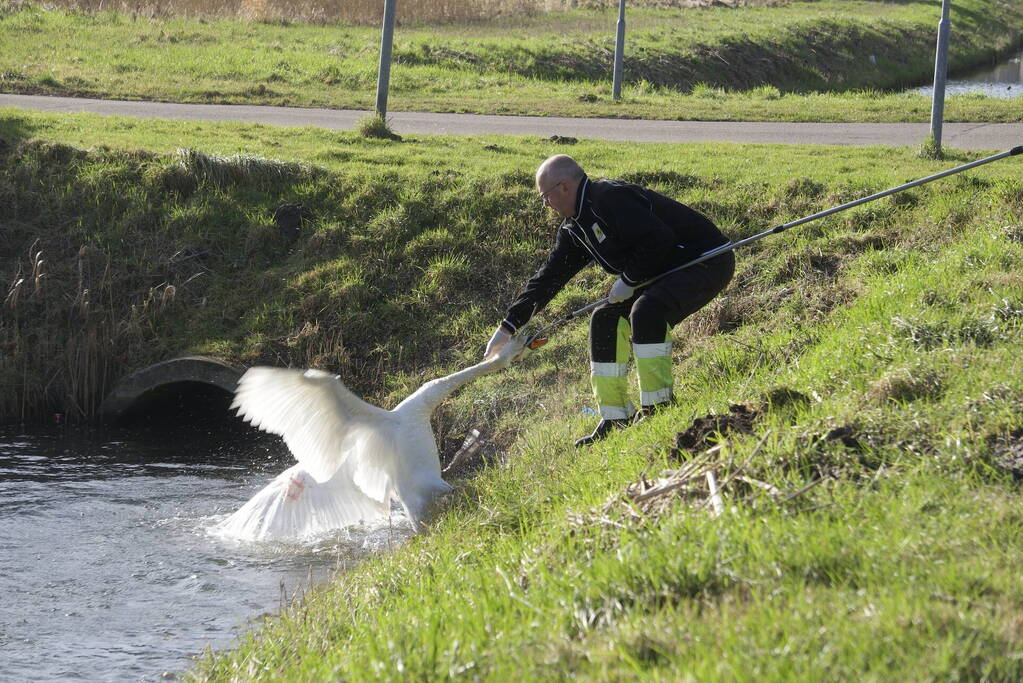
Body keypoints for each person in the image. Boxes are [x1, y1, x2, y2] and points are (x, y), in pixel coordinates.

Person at [484, 154, 735, 447]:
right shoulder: (574, 227)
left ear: (563, 187)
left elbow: (659, 239)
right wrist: (508, 326)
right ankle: (616, 416)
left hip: (706, 261)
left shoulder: (609, 199)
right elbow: (549, 278)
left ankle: (659, 406)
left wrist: (628, 280)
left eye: (545, 197)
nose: (546, 205)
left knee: (647, 311)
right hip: (662, 272)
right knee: (604, 318)